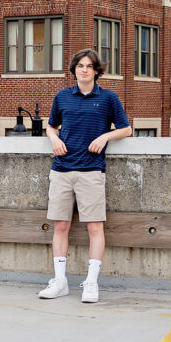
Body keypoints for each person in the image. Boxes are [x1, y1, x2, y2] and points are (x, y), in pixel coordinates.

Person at [38, 48, 132, 303]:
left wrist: (104, 136)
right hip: (61, 170)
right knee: (60, 225)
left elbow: (126, 129)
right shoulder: (62, 96)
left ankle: (91, 283)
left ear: (96, 71)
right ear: (74, 69)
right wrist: (53, 139)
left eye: (89, 66)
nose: (84, 70)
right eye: (80, 65)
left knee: (94, 227)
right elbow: (50, 126)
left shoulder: (109, 98)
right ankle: (60, 282)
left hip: (91, 170)